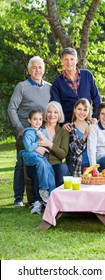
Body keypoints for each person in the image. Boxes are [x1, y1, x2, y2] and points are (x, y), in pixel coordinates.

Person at [7, 56, 51, 206]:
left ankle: (39, 197)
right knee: (21, 163)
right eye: (34, 67)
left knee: (41, 161)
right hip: (25, 132)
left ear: (43, 70)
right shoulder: (22, 86)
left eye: (40, 67)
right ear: (29, 70)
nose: (37, 70)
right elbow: (12, 108)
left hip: (41, 133)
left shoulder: (49, 88)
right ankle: (18, 198)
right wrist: (20, 128)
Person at [26, 101, 70, 214]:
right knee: (39, 168)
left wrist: (49, 144)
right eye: (49, 112)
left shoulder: (63, 132)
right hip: (39, 161)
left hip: (55, 164)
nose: (52, 115)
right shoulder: (38, 125)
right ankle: (37, 202)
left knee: (63, 168)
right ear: (45, 114)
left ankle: (57, 201)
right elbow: (24, 143)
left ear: (59, 115)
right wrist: (37, 148)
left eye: (55, 112)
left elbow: (63, 154)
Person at [50, 47, 101, 131]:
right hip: (69, 126)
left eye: (72, 59)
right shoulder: (57, 82)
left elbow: (96, 98)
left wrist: (95, 117)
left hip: (88, 123)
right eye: (66, 59)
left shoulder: (87, 75)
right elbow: (56, 105)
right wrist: (63, 122)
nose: (69, 62)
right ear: (62, 61)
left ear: (76, 60)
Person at [20, 108, 56, 204]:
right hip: (30, 156)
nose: (37, 122)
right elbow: (28, 147)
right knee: (41, 163)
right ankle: (43, 189)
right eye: (35, 119)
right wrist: (38, 144)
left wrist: (41, 137)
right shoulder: (27, 133)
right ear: (29, 120)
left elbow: (47, 145)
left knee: (49, 168)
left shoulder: (43, 131)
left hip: (40, 156)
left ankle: (52, 194)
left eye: (40, 119)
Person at [66, 98, 93, 177]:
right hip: (77, 163)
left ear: (88, 112)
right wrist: (85, 135)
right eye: (79, 109)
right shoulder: (70, 128)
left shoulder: (92, 126)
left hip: (92, 161)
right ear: (74, 110)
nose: (82, 112)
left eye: (85, 110)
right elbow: (76, 151)